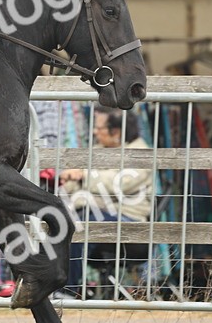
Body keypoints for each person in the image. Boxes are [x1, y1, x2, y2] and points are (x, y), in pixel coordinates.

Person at [59, 107, 153, 296]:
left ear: (116, 131)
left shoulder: (141, 152)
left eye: (99, 128)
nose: (94, 132)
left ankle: (66, 291)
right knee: (61, 221)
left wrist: (83, 176)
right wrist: (74, 179)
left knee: (79, 224)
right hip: (95, 213)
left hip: (129, 222)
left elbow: (118, 183)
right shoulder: (99, 151)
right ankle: (51, 286)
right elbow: (74, 186)